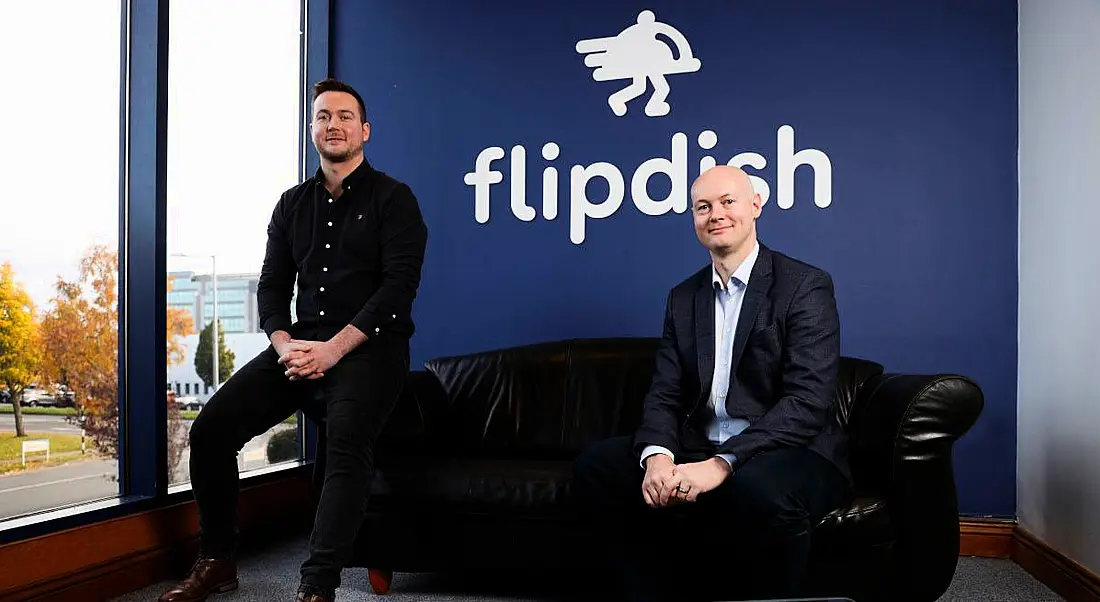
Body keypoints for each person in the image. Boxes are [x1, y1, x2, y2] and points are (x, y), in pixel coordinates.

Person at [158, 78, 428, 602]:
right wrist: (284, 344)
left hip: (370, 349)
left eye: (345, 116)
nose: (334, 124)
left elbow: (399, 289)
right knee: (211, 430)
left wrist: (332, 350)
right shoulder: (290, 204)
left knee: (348, 443)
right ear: (312, 131)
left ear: (364, 130)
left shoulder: (396, 199)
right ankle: (218, 562)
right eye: (323, 116)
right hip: (299, 347)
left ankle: (316, 586)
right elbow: (273, 286)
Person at [572, 165, 849, 602]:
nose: (715, 214)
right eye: (703, 207)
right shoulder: (684, 297)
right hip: (701, 444)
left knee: (757, 488)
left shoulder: (804, 285)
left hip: (791, 451)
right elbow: (664, 393)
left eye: (727, 202)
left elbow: (807, 402)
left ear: (756, 205)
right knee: (598, 466)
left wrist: (721, 465)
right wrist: (658, 460)